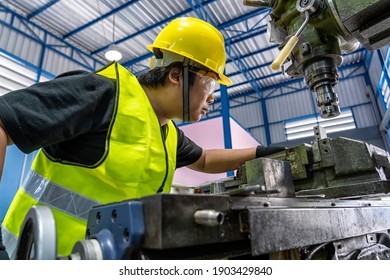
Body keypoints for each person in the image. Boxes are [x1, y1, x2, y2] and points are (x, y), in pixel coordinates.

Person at [0, 17, 284, 259]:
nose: (212, 96)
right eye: (210, 82)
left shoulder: (166, 133)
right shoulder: (100, 95)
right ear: (176, 75)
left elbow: (206, 159)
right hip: (34, 255)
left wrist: (264, 152)